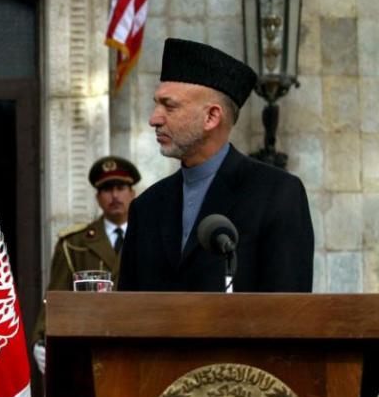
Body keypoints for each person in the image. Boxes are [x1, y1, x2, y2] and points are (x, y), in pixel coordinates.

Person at [118, 38, 314, 292]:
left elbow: (289, 312)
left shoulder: (276, 194)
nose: (154, 119)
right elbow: (129, 310)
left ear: (211, 117)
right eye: (157, 104)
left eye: (169, 106)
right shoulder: (146, 208)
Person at [32, 155, 140, 345]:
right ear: (98, 197)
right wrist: (42, 338)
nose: (114, 196)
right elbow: (57, 298)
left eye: (121, 188)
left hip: (135, 338)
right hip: (88, 340)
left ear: (132, 193)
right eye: (107, 189)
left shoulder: (148, 236)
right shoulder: (75, 243)